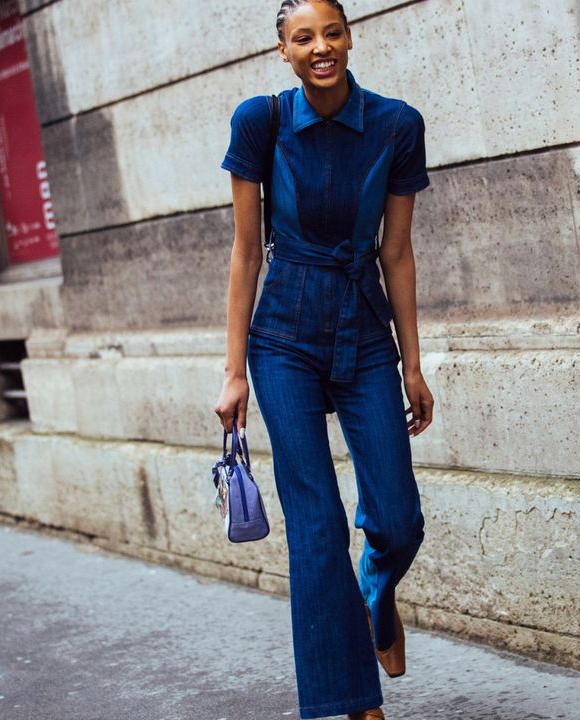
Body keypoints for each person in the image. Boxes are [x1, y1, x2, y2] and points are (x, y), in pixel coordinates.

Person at [214, 1, 434, 717]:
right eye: (302, 37)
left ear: (349, 37)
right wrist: (233, 369)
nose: (320, 47)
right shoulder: (261, 121)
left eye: (331, 32)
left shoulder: (397, 125)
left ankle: (377, 589)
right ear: (283, 50)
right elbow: (246, 252)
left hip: (366, 329)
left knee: (397, 519)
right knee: (315, 528)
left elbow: (395, 251)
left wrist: (411, 362)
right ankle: (354, 702)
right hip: (283, 338)